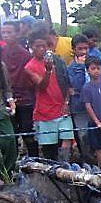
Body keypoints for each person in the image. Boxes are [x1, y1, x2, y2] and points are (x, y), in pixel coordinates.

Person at [24, 27, 73, 161]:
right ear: (31, 47)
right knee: (49, 147)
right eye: (37, 46)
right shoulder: (29, 66)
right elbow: (42, 86)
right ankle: (52, 171)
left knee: (67, 138)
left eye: (43, 46)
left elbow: (66, 83)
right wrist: (47, 70)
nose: (41, 49)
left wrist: (67, 102)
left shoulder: (58, 61)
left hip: (62, 107)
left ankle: (64, 166)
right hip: (44, 111)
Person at [1, 20, 38, 156]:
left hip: (25, 99)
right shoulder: (2, 52)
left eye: (9, 32)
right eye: (3, 32)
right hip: (7, 100)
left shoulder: (25, 54)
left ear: (17, 33)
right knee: (11, 135)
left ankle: (35, 162)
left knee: (28, 133)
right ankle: (13, 164)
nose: (5, 35)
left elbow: (29, 79)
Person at [66, 34, 93, 161]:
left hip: (95, 105)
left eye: (86, 48)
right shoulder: (71, 68)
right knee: (83, 135)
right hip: (79, 106)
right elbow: (75, 86)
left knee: (95, 133)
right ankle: (85, 159)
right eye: (80, 49)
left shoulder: (94, 63)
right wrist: (82, 68)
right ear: (74, 49)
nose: (83, 51)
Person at [0, 43, 17, 175]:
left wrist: (11, 101)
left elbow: (7, 88)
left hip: (1, 108)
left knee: (10, 139)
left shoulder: (1, 66)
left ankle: (7, 173)